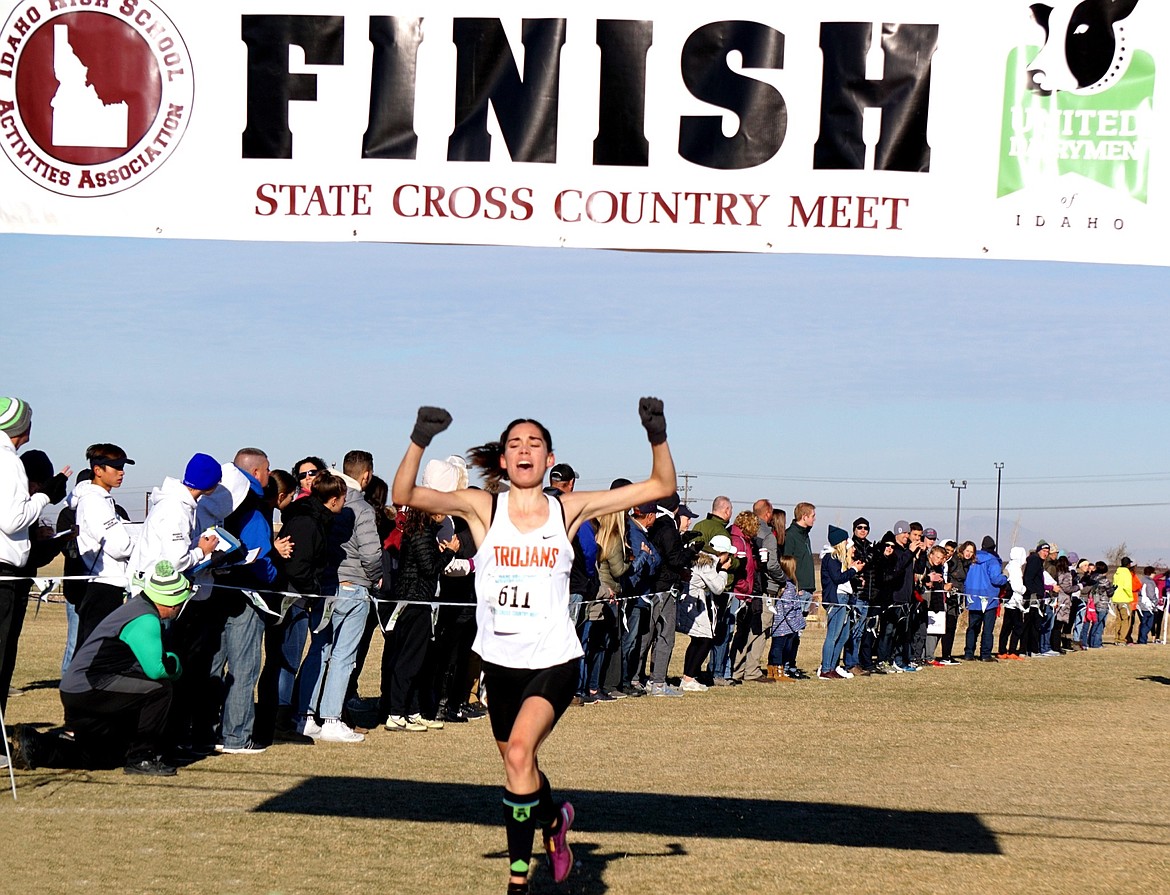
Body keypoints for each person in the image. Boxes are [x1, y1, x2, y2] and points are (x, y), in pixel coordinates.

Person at [390, 397, 674, 895]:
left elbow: (661, 487)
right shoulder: (483, 507)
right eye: (515, 443)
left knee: (520, 751)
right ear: (503, 459)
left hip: (553, 659)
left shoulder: (568, 508)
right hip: (500, 663)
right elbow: (406, 493)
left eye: (534, 444)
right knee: (518, 766)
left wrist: (657, 434)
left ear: (547, 459)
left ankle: (518, 881)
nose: (524, 450)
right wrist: (419, 438)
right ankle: (556, 818)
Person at [12, 560, 191, 776]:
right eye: (181, 602)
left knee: (105, 756)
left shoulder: (136, 607)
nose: (181, 608)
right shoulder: (145, 619)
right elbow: (157, 670)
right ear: (172, 603)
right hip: (90, 689)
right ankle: (142, 758)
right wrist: (176, 664)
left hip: (78, 690)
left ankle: (35, 745)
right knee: (160, 689)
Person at [73, 443, 137, 648]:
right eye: (116, 467)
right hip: (102, 586)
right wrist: (138, 541)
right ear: (98, 470)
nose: (122, 472)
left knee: (95, 650)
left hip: (108, 584)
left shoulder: (103, 499)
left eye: (122, 466)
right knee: (93, 651)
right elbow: (120, 547)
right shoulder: (94, 501)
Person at [677, 535, 734, 691]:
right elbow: (718, 588)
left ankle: (688, 676)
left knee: (698, 639)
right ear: (722, 553)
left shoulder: (700, 558)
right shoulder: (707, 564)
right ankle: (688, 678)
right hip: (692, 600)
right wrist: (723, 571)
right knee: (705, 639)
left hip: (690, 598)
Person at [818, 525, 862, 680]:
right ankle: (825, 669)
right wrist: (854, 570)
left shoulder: (837, 559)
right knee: (833, 635)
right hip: (836, 599)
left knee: (843, 636)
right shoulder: (831, 558)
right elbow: (837, 579)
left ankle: (833, 666)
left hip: (844, 598)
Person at [963, 537, 1006, 662]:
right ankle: (985, 654)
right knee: (987, 628)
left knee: (972, 627)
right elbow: (995, 579)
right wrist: (1005, 578)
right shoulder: (993, 560)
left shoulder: (972, 559)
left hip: (972, 596)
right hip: (989, 597)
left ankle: (969, 653)